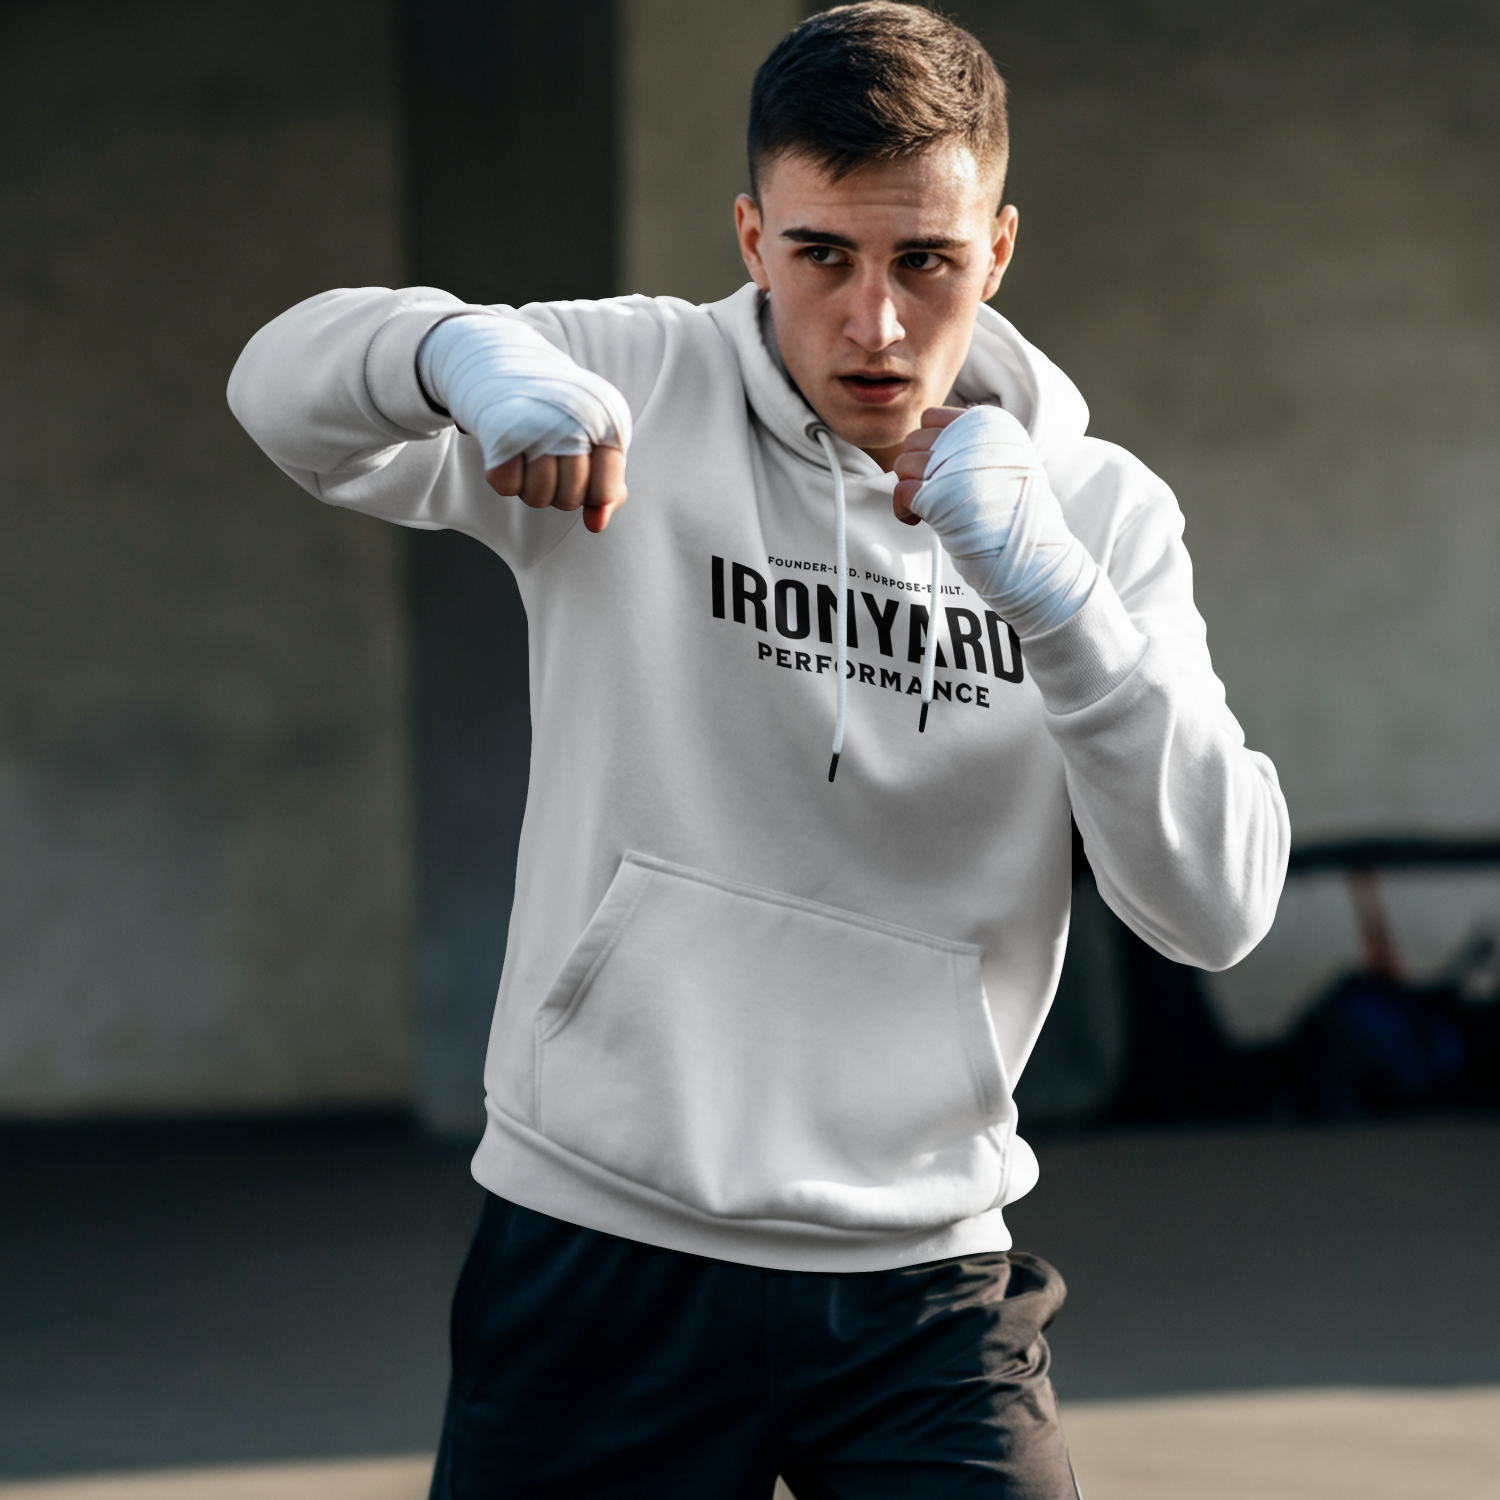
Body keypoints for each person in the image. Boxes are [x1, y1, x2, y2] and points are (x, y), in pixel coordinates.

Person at [229, 5, 1288, 1495]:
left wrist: (1058, 603)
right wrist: (450, 352)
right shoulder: (636, 388)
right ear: (749, 234)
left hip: (925, 1282)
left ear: (996, 250)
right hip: (599, 1246)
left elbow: (1217, 909)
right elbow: (279, 389)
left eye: (926, 261)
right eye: (823, 257)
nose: (875, 325)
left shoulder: (1101, 514)